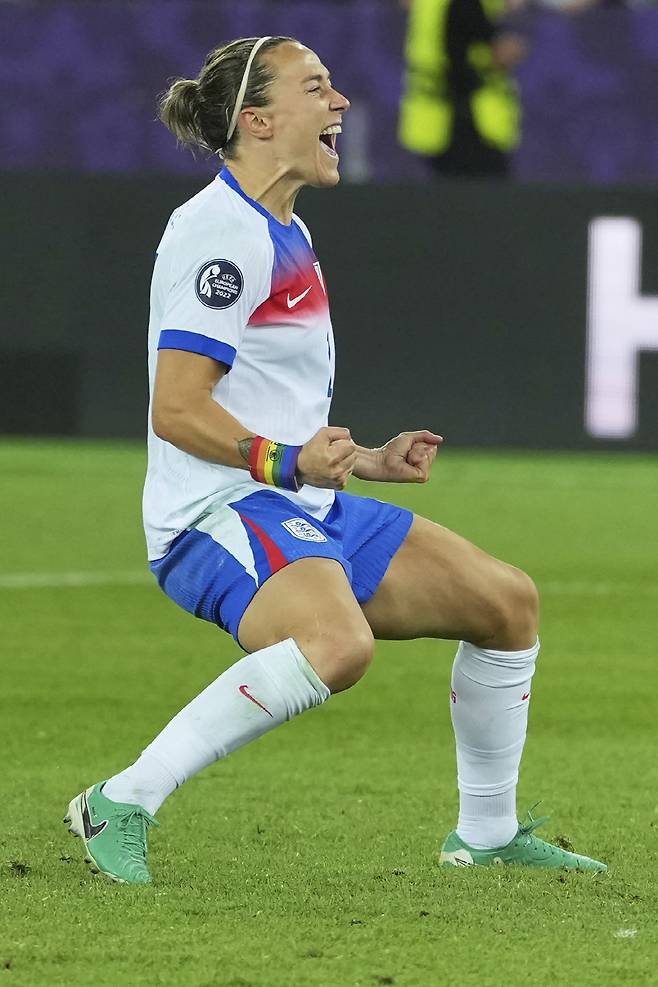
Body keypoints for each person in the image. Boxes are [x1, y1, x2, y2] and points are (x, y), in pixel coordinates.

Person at [64, 35, 606, 883]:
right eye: (316, 87)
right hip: (216, 515)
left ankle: (487, 834)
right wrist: (287, 463)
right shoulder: (220, 236)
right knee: (336, 643)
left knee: (507, 604)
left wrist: (366, 459)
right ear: (257, 120)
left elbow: (274, 405)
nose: (341, 101)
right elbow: (177, 409)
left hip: (296, 500)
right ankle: (121, 798)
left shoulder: (284, 226)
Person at [399, 0, 526, 178]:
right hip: (468, 120)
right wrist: (501, 46)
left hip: (440, 119)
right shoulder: (463, 6)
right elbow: (480, 45)